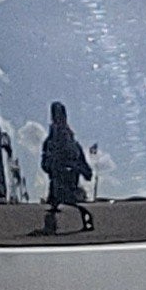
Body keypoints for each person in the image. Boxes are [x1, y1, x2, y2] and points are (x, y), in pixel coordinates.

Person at [37, 101, 95, 235]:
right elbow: (44, 165)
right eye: (56, 116)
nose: (58, 119)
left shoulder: (74, 145)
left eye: (61, 116)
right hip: (56, 190)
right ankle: (51, 227)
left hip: (72, 189)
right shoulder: (49, 143)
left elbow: (87, 171)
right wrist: (56, 166)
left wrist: (76, 168)